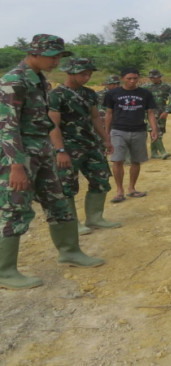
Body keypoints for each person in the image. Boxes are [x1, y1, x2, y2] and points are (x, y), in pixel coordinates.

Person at [0, 34, 104, 290]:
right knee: (14, 208)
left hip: (42, 152)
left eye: (60, 56)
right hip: (20, 155)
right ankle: (4, 271)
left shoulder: (39, 79)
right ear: (35, 53)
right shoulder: (14, 80)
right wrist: (16, 166)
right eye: (53, 56)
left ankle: (70, 251)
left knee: (58, 200)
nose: (57, 61)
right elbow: (7, 126)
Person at [48, 58, 121, 236]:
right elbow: (53, 125)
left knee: (101, 180)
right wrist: (60, 150)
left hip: (91, 145)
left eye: (89, 74)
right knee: (67, 186)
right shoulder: (56, 95)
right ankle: (73, 224)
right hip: (68, 147)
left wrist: (106, 139)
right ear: (70, 73)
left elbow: (95, 118)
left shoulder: (89, 94)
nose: (87, 77)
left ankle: (95, 218)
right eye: (83, 74)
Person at [104, 68, 158, 203]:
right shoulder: (112, 94)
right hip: (118, 131)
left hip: (139, 130)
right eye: (129, 78)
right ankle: (119, 191)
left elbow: (150, 112)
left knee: (136, 160)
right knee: (117, 160)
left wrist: (154, 129)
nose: (132, 81)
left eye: (135, 78)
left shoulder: (145, 93)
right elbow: (109, 113)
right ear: (122, 78)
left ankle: (132, 188)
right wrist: (106, 133)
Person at [143, 69, 171, 159]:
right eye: (152, 77)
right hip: (149, 112)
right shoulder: (145, 87)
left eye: (155, 77)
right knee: (154, 130)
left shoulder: (166, 86)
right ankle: (163, 151)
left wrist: (167, 111)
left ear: (160, 77)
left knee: (160, 131)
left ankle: (154, 152)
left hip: (161, 112)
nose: (153, 79)